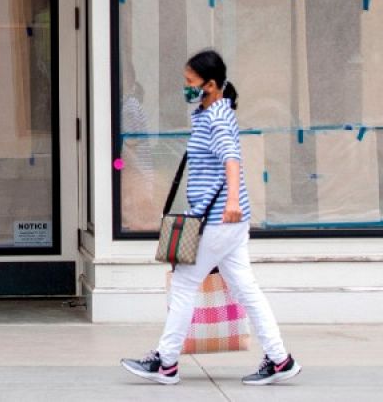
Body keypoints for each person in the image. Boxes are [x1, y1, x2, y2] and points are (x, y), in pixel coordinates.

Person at [120, 49, 300, 387]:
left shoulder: (217, 118)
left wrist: (232, 200)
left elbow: (232, 159)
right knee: (246, 289)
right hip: (227, 223)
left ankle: (166, 362)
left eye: (191, 82)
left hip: (218, 220)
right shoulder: (209, 112)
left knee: (186, 284)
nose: (186, 88)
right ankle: (280, 358)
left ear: (212, 84)